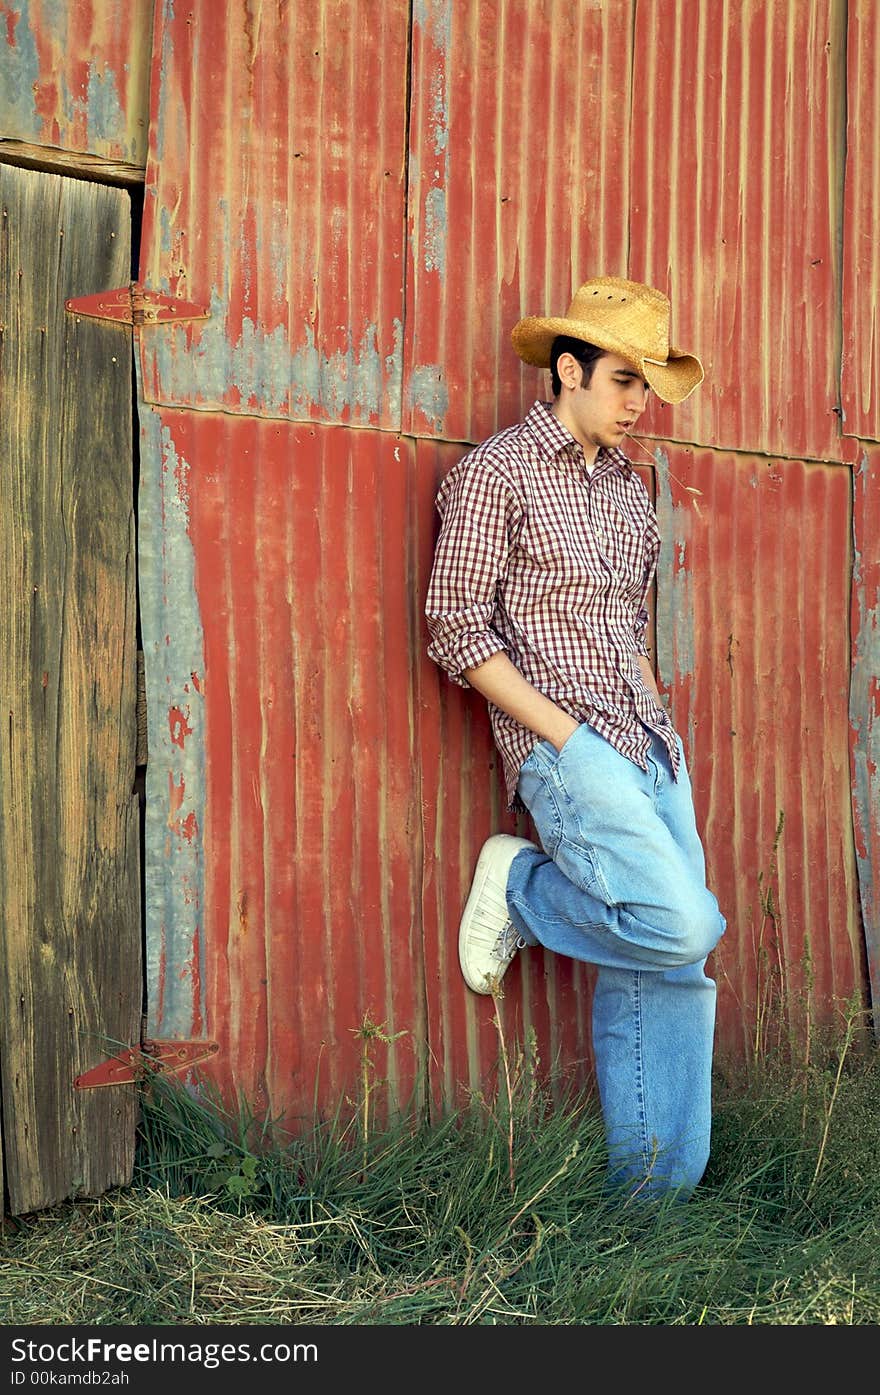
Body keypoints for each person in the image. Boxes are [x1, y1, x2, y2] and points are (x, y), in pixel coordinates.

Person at [424, 276, 726, 1199]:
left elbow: (627, 632)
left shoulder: (632, 494)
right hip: (566, 747)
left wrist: (651, 738)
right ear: (568, 369)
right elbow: (455, 626)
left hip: (648, 741)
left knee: (679, 966)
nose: (641, 404)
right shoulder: (496, 473)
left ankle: (655, 1205)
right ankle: (520, 883)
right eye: (626, 380)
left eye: (648, 385)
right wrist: (569, 739)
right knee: (682, 923)